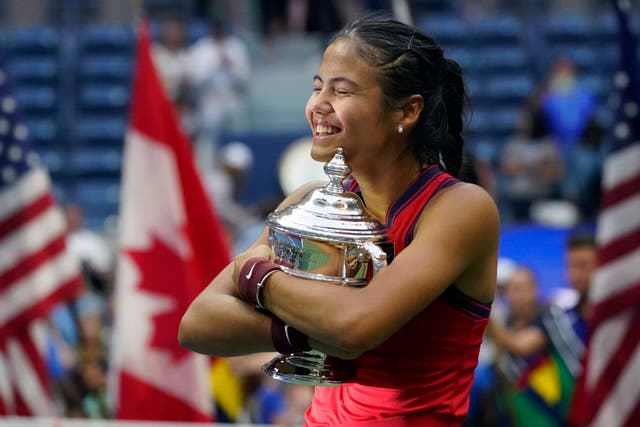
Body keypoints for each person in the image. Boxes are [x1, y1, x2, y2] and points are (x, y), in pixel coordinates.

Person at [179, 13, 499, 427]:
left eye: (342, 90)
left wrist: (254, 273)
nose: (318, 105)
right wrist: (300, 333)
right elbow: (197, 323)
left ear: (407, 110)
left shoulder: (460, 208)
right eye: (317, 87)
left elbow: (355, 329)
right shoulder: (308, 199)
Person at [487, 233, 598, 427]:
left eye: (583, 266)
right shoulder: (559, 319)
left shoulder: (618, 319)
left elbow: (519, 345)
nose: (573, 275)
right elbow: (519, 346)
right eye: (571, 266)